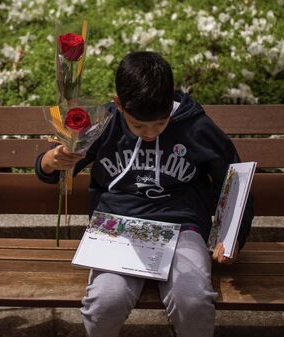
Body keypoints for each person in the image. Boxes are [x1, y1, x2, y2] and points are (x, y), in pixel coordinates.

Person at [35, 51, 254, 337]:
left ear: (170, 105)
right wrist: (51, 161)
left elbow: (234, 177)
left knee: (193, 300)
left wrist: (232, 235)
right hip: (118, 227)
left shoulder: (196, 125)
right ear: (119, 104)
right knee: (105, 302)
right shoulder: (104, 122)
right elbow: (56, 172)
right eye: (138, 126)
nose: (149, 133)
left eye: (160, 124)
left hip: (181, 226)